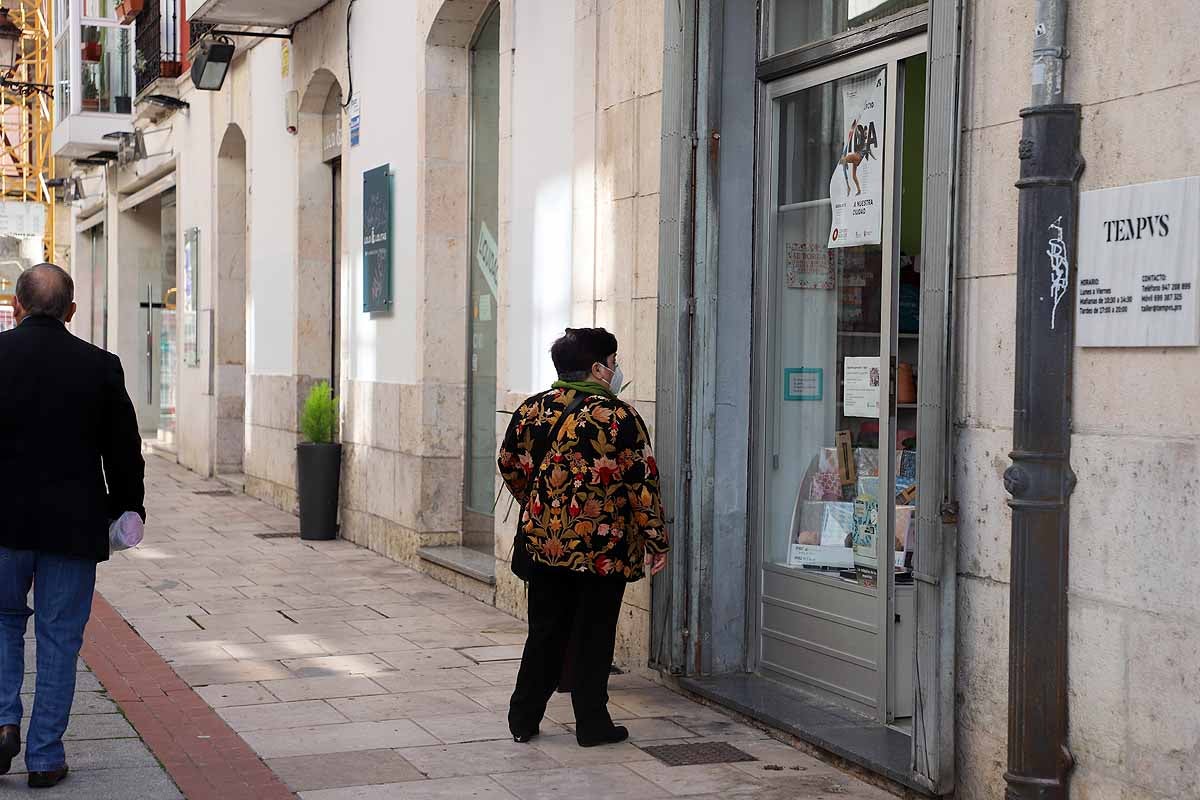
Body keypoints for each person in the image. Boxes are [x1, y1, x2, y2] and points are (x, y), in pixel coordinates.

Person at [0, 264, 145, 789]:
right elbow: (125, 452)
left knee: (1, 623)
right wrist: (129, 508)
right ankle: (44, 757)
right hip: (72, 529)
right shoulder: (100, 366)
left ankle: (1, 722)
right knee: (59, 639)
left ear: (15, 307)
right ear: (72, 311)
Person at [498, 327, 668, 748]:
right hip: (602, 550)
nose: (616, 369)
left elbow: (510, 465)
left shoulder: (532, 411)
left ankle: (523, 718)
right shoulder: (618, 417)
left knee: (545, 632)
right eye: (613, 361)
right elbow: (641, 484)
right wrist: (656, 540)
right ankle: (592, 724)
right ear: (597, 368)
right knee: (594, 635)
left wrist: (543, 506)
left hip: (543, 545)